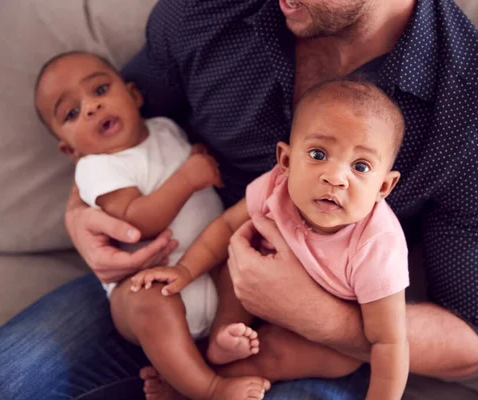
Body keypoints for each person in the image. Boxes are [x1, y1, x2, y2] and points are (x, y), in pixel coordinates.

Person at [0, 0, 478, 399]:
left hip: (318, 337)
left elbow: (473, 337)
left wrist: (321, 317)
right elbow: (112, 123)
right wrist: (80, 213)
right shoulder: (209, 11)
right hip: (177, 271)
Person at [131, 79, 410, 400]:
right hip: (255, 290)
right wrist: (184, 271)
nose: (335, 177)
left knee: (284, 353)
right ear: (286, 161)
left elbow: (389, 342)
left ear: (384, 187)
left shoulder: (377, 245)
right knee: (234, 265)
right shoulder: (276, 186)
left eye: (360, 166)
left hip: (320, 337)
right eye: (318, 154)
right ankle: (223, 338)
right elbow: (225, 226)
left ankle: (198, 384)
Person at [33, 51, 271, 399]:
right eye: (71, 112)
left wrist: (197, 156)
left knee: (243, 261)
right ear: (69, 150)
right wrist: (188, 178)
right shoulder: (97, 167)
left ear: (134, 95)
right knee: (151, 303)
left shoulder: (165, 128)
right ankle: (209, 386)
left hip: (208, 265)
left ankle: (218, 345)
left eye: (100, 90)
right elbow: (135, 220)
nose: (91, 107)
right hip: (146, 283)